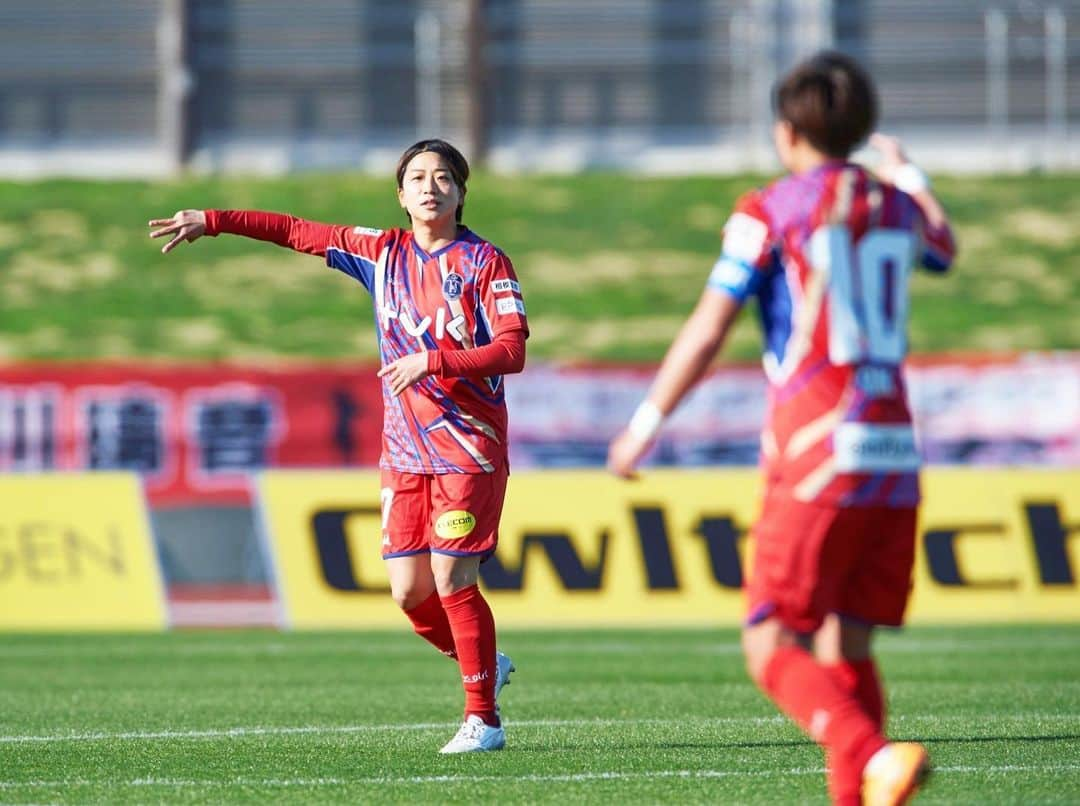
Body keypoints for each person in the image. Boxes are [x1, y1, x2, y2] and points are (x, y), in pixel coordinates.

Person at [608, 51, 955, 805]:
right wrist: (910, 174)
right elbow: (944, 249)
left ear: (787, 130)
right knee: (845, 646)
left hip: (816, 447)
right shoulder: (895, 204)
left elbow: (709, 329)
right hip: (894, 449)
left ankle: (871, 753)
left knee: (771, 645)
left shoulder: (770, 208)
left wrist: (645, 422)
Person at [149, 139, 528, 754]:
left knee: (452, 576)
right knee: (409, 592)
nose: (430, 187)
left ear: (461, 191)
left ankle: (483, 719)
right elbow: (295, 231)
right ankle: (484, 659)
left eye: (442, 178)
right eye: (416, 178)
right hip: (403, 452)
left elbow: (511, 352)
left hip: (469, 450)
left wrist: (432, 361)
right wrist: (212, 222)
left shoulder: (488, 263)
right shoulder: (381, 253)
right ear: (400, 194)